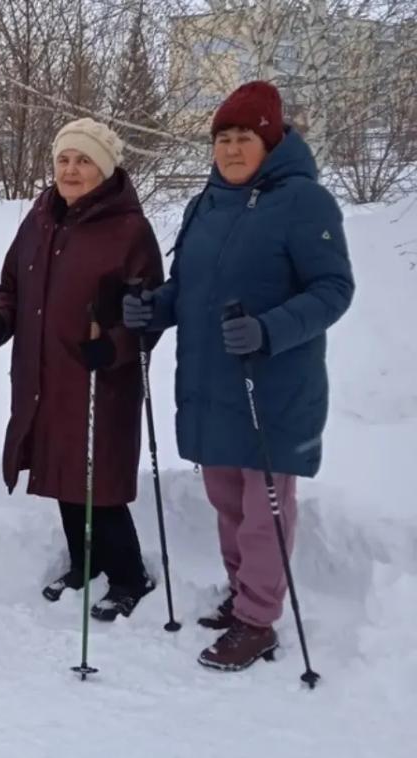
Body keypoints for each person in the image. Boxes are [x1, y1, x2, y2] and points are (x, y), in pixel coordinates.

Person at [123, 81, 354, 670]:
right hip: (212, 385)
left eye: (243, 137)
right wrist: (155, 307)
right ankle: (243, 594)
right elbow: (187, 288)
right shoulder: (205, 204)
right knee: (227, 503)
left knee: (264, 510)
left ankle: (259, 620)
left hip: (274, 386)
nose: (230, 149)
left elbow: (334, 289)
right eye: (222, 138)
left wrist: (271, 329)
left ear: (270, 141)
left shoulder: (305, 201)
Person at [0, 119, 163, 619]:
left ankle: (128, 575)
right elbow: (13, 280)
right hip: (42, 371)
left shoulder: (129, 230)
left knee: (97, 478)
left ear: (104, 168)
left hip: (100, 376)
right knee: (63, 470)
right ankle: (84, 563)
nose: (72, 170)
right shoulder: (39, 218)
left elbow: (150, 309)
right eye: (64, 160)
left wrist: (118, 346)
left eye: (83, 161)